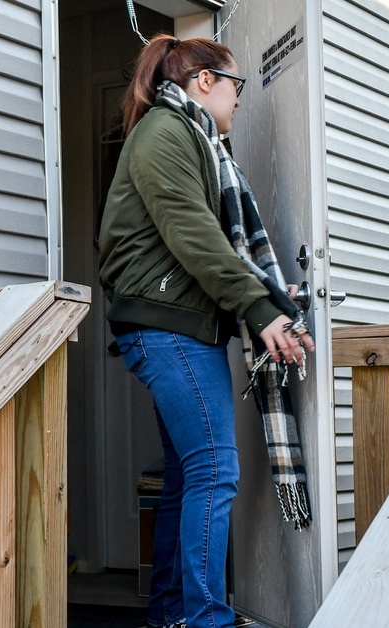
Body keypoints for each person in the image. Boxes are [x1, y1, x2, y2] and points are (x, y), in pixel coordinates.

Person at [98, 34, 315, 628]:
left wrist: (269, 299)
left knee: (189, 477)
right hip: (167, 327)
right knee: (216, 470)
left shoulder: (191, 138)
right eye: (235, 85)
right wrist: (260, 308)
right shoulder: (165, 134)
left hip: (178, 325)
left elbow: (216, 244)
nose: (240, 100)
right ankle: (204, 620)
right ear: (203, 80)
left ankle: (173, 613)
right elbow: (195, 235)